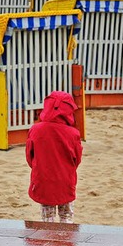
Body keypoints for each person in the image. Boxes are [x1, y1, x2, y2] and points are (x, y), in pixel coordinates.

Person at [25, 91, 83, 223]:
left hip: (43, 179)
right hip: (65, 180)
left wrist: (38, 167)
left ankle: (48, 239)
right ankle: (65, 242)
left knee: (47, 217)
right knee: (66, 216)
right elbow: (77, 159)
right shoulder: (73, 133)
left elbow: (30, 155)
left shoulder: (35, 130)